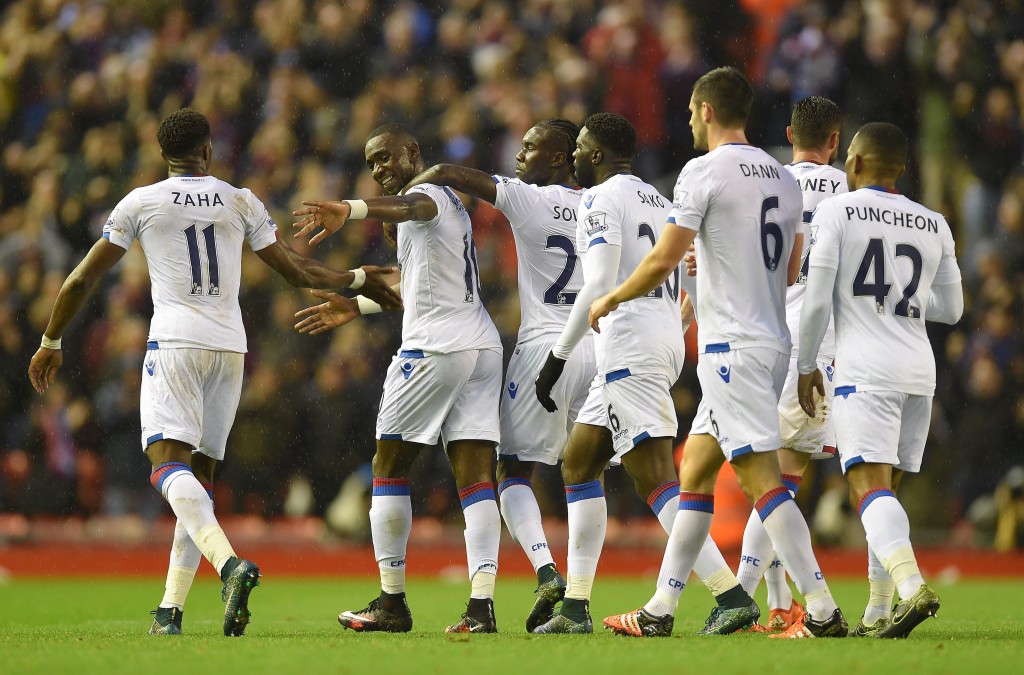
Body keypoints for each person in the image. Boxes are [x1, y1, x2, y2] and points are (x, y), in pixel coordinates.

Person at [26, 108, 402, 637]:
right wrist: (359, 277)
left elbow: (83, 278)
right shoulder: (239, 198)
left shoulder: (142, 201)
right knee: (198, 479)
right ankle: (170, 610)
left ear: (164, 155)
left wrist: (51, 339)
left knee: (164, 465)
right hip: (230, 346)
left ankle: (230, 566)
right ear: (208, 151)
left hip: (176, 340)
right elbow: (297, 271)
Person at [592, 67, 848, 639]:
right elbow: (789, 268)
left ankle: (824, 611)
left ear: (706, 110)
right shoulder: (783, 178)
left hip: (731, 345)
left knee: (760, 478)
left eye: (689, 109)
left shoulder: (702, 171)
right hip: (770, 341)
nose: (686, 118)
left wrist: (611, 296)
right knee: (696, 469)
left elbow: (661, 260)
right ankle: (660, 608)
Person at [530, 112, 754, 635]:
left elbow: (599, 283)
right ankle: (575, 607)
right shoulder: (658, 198)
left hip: (629, 340)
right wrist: (683, 314)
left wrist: (557, 358)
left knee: (654, 475)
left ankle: (732, 595)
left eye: (581, 148)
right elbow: (690, 265)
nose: (576, 157)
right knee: (580, 462)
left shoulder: (601, 199)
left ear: (600, 154)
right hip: (657, 338)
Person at [291, 123, 504, 634]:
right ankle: (481, 608)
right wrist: (359, 305)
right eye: (372, 165)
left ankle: (392, 602)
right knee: (474, 475)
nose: (381, 170)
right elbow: (413, 287)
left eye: (386, 158)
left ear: (414, 152)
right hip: (481, 346)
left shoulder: (427, 192)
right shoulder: (447, 207)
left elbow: (413, 207)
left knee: (388, 466)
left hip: (435, 348)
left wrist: (352, 207)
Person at [400, 119, 593, 632]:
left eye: (530, 147)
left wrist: (414, 193)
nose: (518, 154)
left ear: (557, 157)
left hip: (545, 348)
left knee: (510, 471)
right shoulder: (602, 204)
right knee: (601, 474)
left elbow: (453, 175)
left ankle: (548, 572)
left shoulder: (528, 199)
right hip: (602, 347)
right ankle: (586, 598)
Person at [797, 121, 963, 638]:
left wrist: (806, 366)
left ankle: (914, 588)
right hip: (918, 370)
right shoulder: (933, 221)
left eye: (849, 157)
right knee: (882, 493)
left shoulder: (838, 210)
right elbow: (953, 309)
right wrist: (901, 299)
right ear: (902, 168)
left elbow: (819, 297)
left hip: (864, 369)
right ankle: (877, 609)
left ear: (857, 163)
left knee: (867, 487)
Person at [730, 95, 848, 632]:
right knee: (781, 479)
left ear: (789, 133)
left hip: (763, 334)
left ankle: (770, 604)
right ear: (836, 142)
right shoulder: (850, 192)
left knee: (770, 476)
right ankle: (749, 597)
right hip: (816, 346)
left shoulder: (768, 181)